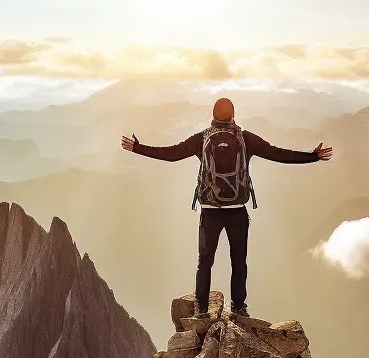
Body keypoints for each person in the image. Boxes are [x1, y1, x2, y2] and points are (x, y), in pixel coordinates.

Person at [121, 97, 332, 317]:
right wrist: (313, 157)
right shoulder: (245, 138)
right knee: (238, 261)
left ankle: (201, 309)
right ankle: (239, 308)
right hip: (237, 209)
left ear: (213, 117)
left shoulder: (202, 139)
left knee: (205, 261)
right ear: (233, 116)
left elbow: (171, 154)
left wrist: (137, 148)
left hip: (210, 210)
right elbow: (277, 153)